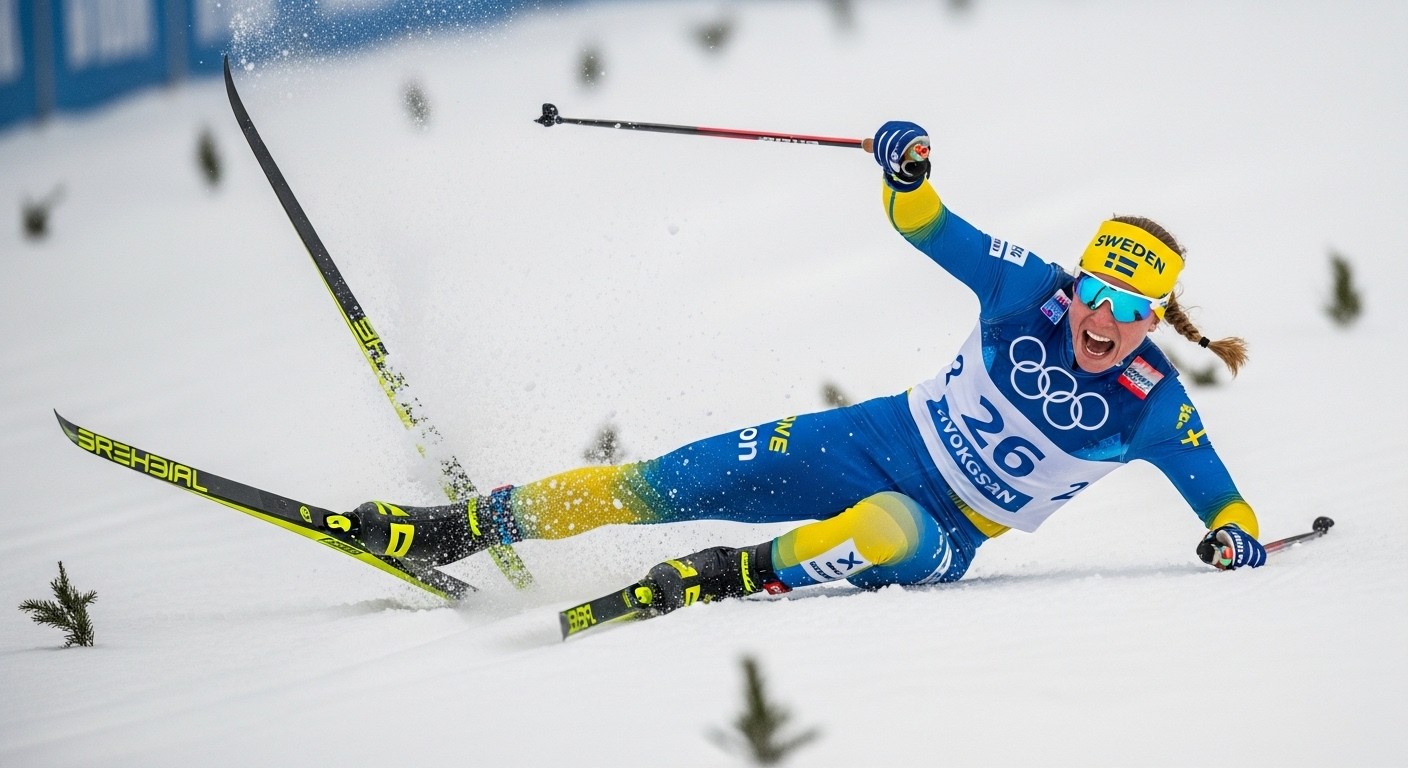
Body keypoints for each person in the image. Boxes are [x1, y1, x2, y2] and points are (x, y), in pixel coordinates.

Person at [350, 120, 1268, 612]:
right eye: (1097, 294)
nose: (1102, 321)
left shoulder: (1151, 403)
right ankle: (461, 527)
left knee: (883, 529)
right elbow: (928, 225)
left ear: (1156, 321)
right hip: (867, 435)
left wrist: (1234, 535)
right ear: (1081, 280)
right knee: (664, 481)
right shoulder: (1030, 290)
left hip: (943, 529)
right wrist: (906, 176)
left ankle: (725, 575)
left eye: (1129, 311)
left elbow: (1221, 496)